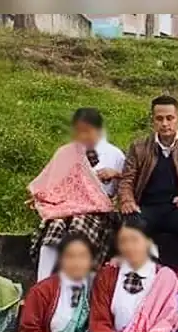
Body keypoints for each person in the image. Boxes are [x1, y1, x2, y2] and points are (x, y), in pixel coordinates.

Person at [116, 95, 178, 269]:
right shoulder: (139, 147)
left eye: (170, 118)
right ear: (152, 121)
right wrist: (127, 200)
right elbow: (127, 180)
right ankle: (141, 276)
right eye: (159, 118)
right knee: (133, 224)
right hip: (147, 207)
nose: (165, 123)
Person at [29, 107, 124, 280]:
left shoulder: (115, 155)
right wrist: (42, 196)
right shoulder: (66, 152)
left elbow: (127, 186)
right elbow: (53, 183)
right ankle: (41, 282)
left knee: (78, 226)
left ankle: (75, 283)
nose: (83, 136)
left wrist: (116, 174)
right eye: (79, 132)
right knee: (55, 225)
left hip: (97, 212)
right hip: (66, 207)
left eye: (88, 131)